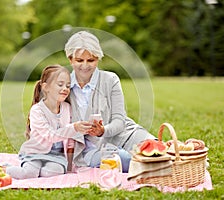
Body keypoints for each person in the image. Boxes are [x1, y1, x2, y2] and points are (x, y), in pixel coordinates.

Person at [64, 31, 156, 172]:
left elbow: (119, 120)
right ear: (70, 59)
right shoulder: (63, 85)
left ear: (98, 59)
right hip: (91, 148)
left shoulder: (110, 80)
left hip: (123, 134)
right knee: (127, 160)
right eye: (79, 60)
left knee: (160, 154)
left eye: (91, 60)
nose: (85, 66)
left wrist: (103, 131)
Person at [5, 65, 92, 179]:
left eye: (68, 85)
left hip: (57, 155)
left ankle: (39, 170)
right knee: (29, 174)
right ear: (46, 87)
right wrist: (74, 128)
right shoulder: (37, 110)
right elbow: (50, 135)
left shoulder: (67, 108)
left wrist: (69, 165)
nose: (65, 88)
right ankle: (3, 168)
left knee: (51, 173)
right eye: (60, 85)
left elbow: (70, 140)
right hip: (34, 153)